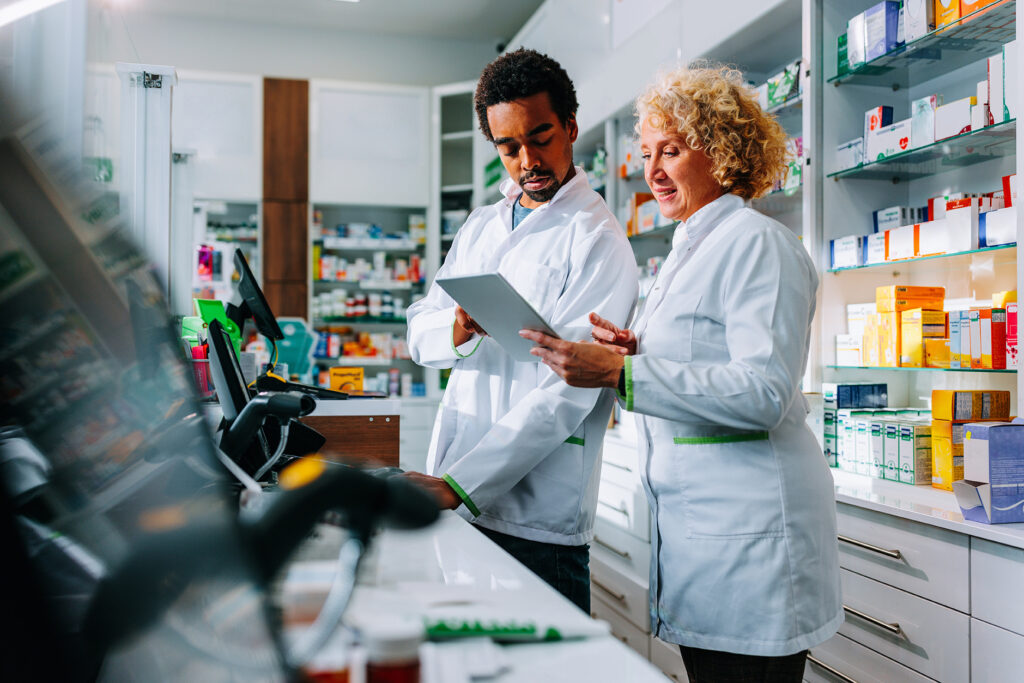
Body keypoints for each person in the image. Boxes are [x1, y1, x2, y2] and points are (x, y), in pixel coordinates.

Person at [521, 63, 842, 682]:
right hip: (706, 536)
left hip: (753, 543)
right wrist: (638, 352)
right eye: (647, 154)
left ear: (720, 152)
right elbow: (706, 358)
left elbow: (766, 391)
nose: (654, 173)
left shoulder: (758, 244)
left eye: (671, 150)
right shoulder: (691, 247)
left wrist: (622, 373)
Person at [403, 48, 638, 612]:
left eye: (541, 137)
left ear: (570, 127)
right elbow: (419, 331)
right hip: (457, 491)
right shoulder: (482, 224)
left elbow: (570, 389)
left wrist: (463, 485)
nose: (528, 159)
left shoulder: (597, 238)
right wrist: (456, 328)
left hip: (536, 517)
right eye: (510, 147)